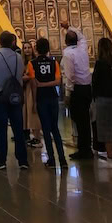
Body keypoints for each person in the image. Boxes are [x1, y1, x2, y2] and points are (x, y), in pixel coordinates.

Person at [0, 32, 29, 170]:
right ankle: (23, 160)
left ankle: (1, 160)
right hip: (15, 95)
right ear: (13, 42)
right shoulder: (18, 57)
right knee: (18, 128)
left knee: (0, 129)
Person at [30, 35, 67, 166]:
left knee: (46, 128)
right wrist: (47, 84)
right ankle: (62, 159)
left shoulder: (32, 64)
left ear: (36, 49)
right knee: (55, 128)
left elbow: (34, 84)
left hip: (41, 98)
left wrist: (34, 101)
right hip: (53, 97)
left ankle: (51, 159)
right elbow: (57, 81)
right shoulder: (53, 62)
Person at [60, 28, 95, 158]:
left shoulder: (68, 54)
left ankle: (84, 149)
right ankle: (86, 147)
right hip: (87, 88)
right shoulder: (83, 49)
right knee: (85, 120)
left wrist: (67, 94)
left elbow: (70, 76)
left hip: (77, 90)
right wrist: (68, 26)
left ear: (65, 41)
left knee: (79, 120)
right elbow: (82, 37)